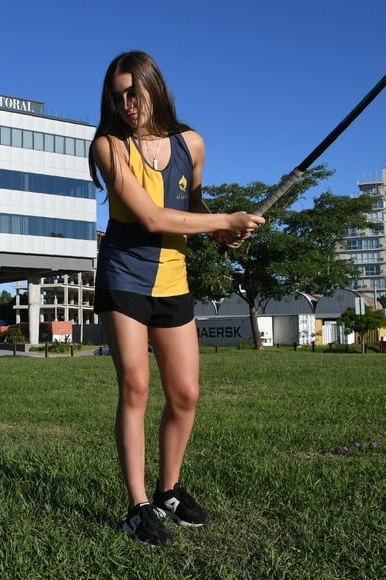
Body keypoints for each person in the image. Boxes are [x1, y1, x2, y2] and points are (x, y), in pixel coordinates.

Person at [88, 51, 264, 546]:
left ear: (154, 87)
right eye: (117, 96)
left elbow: (191, 204)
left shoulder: (192, 144)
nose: (126, 104)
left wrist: (221, 233)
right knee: (137, 389)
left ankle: (169, 490)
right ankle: (138, 505)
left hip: (174, 281)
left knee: (185, 394)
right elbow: (151, 218)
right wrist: (222, 221)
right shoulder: (109, 146)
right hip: (124, 279)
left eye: (133, 92)